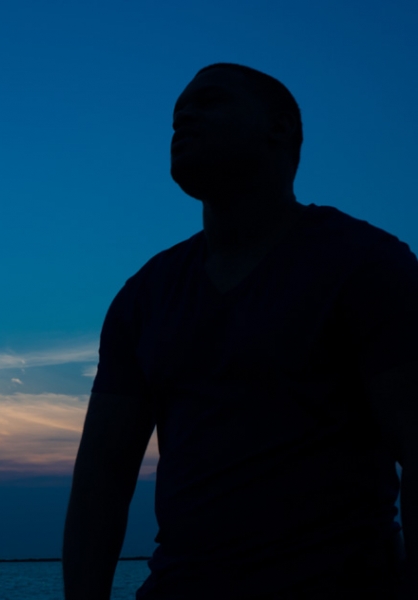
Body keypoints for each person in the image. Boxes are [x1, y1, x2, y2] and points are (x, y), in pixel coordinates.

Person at [63, 63, 418, 599]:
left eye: (208, 102)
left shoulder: (366, 264)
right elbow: (102, 479)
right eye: (177, 113)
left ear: (279, 128)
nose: (183, 118)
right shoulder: (145, 295)